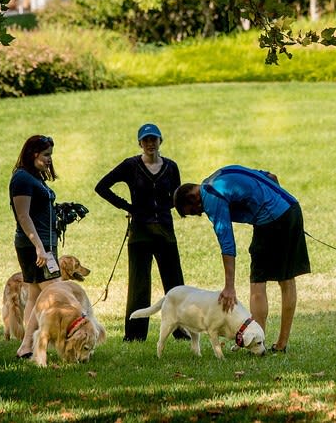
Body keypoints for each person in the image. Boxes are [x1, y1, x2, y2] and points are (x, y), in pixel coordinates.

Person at [173, 164, 310, 354]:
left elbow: (227, 242)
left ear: (194, 197)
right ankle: (281, 344)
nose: (200, 213)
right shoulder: (218, 176)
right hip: (291, 208)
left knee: (258, 282)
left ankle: (257, 340)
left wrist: (229, 287)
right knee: (287, 280)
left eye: (194, 211)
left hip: (271, 221)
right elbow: (271, 176)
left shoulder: (210, 197)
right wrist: (283, 213)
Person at [95, 123, 188, 342]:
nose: (150, 144)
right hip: (140, 232)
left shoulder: (171, 167)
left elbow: (176, 196)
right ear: (140, 143)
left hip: (165, 230)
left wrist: (165, 208)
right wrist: (127, 207)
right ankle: (135, 334)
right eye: (145, 140)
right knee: (139, 285)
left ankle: (181, 329)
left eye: (153, 139)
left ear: (160, 141)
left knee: (175, 282)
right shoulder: (131, 165)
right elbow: (102, 186)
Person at [9, 134, 62, 359]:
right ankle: (66, 339)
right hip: (34, 246)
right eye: (46, 155)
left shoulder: (34, 177)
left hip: (43, 243)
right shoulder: (22, 179)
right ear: (33, 154)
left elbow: (38, 210)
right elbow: (23, 216)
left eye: (51, 155)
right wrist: (39, 248)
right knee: (57, 291)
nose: (50, 159)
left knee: (35, 295)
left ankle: (26, 347)